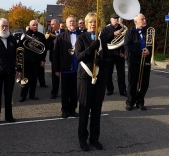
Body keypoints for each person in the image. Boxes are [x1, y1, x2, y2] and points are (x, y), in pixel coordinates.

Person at [75, 12, 108, 151]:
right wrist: (91, 48)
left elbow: (107, 59)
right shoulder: (81, 38)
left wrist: (102, 61)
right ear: (87, 23)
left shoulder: (102, 39)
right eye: (91, 22)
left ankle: (94, 138)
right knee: (84, 109)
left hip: (100, 78)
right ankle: (83, 139)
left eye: (95, 22)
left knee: (96, 109)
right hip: (85, 77)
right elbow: (79, 56)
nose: (93, 24)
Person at [124, 13, 153, 111]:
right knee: (132, 82)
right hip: (134, 60)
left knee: (144, 82)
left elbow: (151, 43)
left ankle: (140, 102)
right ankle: (130, 102)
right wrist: (140, 53)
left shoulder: (148, 30)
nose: (145, 20)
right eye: (142, 19)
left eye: (145, 18)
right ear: (136, 21)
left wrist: (148, 50)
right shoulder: (130, 32)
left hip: (146, 60)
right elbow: (127, 46)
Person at [53, 15, 80, 118]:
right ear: (66, 24)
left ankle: (73, 109)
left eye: (74, 21)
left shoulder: (81, 36)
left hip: (77, 68)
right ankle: (64, 110)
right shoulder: (60, 36)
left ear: (76, 23)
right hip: (65, 68)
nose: (72, 23)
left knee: (75, 91)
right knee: (65, 91)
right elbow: (56, 54)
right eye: (70, 22)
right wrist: (56, 69)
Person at [19, 20, 46, 102]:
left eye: (36, 25)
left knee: (34, 79)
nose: (35, 26)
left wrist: (42, 60)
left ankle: (32, 95)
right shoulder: (25, 35)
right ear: (29, 26)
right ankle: (23, 95)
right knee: (25, 79)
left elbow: (44, 49)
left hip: (36, 61)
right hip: (26, 61)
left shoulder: (41, 36)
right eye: (33, 25)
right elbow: (20, 46)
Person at [100, 13, 127, 96]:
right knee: (108, 73)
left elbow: (125, 42)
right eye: (114, 18)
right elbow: (102, 40)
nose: (116, 20)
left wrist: (123, 52)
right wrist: (113, 34)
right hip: (109, 54)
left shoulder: (122, 28)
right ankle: (109, 89)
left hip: (119, 54)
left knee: (121, 74)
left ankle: (123, 90)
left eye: (117, 18)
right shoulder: (105, 29)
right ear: (110, 20)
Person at [46, 19, 65, 99]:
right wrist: (52, 43)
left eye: (53, 24)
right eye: (51, 25)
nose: (51, 26)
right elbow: (47, 46)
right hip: (54, 58)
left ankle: (65, 92)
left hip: (64, 57)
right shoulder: (50, 34)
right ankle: (54, 92)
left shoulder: (64, 32)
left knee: (65, 76)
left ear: (57, 24)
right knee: (55, 77)